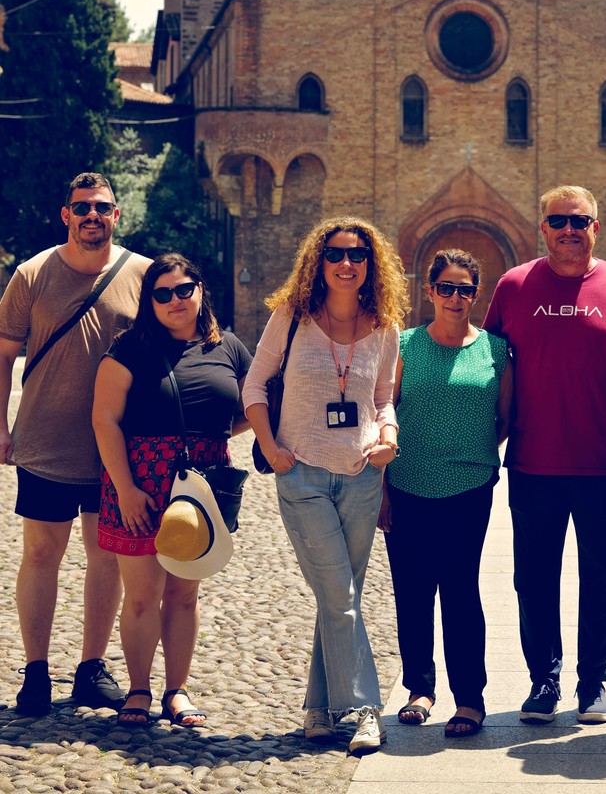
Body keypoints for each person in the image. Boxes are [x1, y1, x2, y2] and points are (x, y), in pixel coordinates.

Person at [243, 217, 407, 755]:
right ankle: (364, 709)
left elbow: (382, 398)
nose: (346, 263)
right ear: (319, 261)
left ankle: (317, 708)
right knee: (339, 596)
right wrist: (271, 448)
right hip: (302, 473)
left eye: (357, 255)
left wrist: (389, 436)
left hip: (362, 475)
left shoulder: (384, 325)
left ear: (371, 264)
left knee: (340, 596)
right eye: (335, 254)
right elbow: (254, 385)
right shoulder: (291, 318)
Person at [483, 185, 606, 725]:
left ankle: (593, 683)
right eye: (558, 220)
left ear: (595, 227)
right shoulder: (513, 286)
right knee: (533, 580)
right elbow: (489, 367)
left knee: (604, 580)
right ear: (543, 228)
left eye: (579, 221)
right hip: (533, 461)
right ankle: (543, 681)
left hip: (604, 461)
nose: (569, 229)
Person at [0, 173, 150, 715]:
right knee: (41, 553)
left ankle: (91, 668)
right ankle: (36, 671)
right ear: (66, 214)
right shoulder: (32, 273)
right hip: (46, 440)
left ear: (116, 215)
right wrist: (0, 425)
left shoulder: (143, 275)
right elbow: (3, 354)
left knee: (106, 557)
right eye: (82, 207)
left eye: (102, 207)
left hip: (119, 448)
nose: (92, 215)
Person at [92, 254, 251, 726]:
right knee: (142, 594)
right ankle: (139, 690)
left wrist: (217, 439)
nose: (175, 300)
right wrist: (125, 488)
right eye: (162, 294)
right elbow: (104, 420)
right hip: (140, 482)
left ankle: (176, 691)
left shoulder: (229, 347)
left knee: (184, 593)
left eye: (184, 289)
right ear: (150, 302)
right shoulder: (130, 348)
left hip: (202, 483)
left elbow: (254, 407)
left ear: (200, 290)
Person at [380, 249, 513, 738]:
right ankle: (419, 688)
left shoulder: (496, 351)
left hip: (469, 486)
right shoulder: (404, 346)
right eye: (447, 288)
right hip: (406, 483)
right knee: (412, 591)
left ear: (476, 295)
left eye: (465, 290)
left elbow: (505, 417)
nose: (456, 297)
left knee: (460, 591)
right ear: (430, 291)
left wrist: (472, 451)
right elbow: (384, 413)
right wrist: (381, 491)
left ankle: (470, 699)